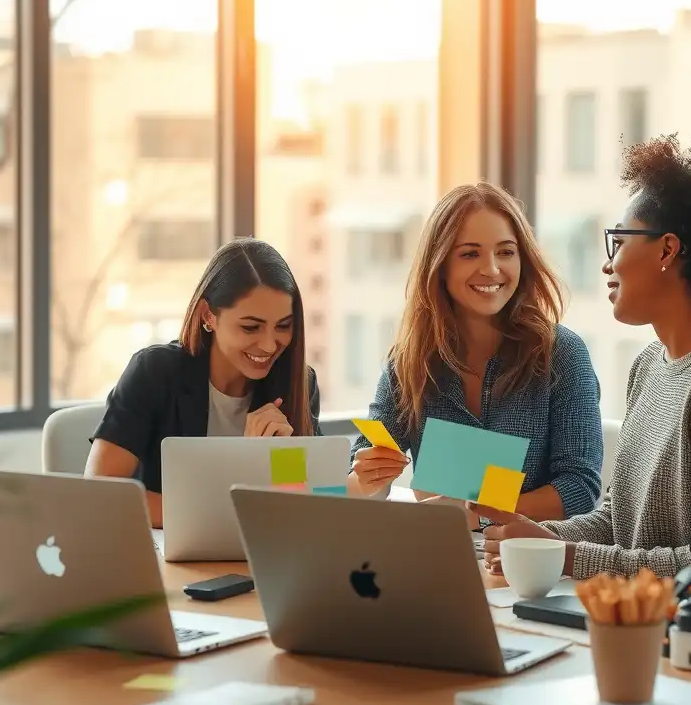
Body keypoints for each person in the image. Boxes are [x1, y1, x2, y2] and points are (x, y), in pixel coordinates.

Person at [477, 135, 691, 597]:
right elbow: (619, 518)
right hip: (658, 614)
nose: (607, 264)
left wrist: (566, 557)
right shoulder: (650, 365)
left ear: (666, 250)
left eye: (618, 240)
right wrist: (544, 541)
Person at [348, 181, 603, 524]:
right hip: (438, 552)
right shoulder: (409, 360)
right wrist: (366, 476)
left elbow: (579, 489)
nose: (492, 269)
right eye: (470, 253)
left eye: (506, 252)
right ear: (440, 266)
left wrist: (477, 514)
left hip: (528, 561)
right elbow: (360, 474)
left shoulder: (563, 355)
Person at [85, 237, 321, 527]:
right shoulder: (155, 372)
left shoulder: (298, 384)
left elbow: (299, 504)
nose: (270, 345)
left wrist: (270, 462)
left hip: (257, 561)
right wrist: (220, 507)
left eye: (283, 326)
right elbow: (101, 492)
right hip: (166, 560)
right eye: (251, 327)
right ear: (208, 315)